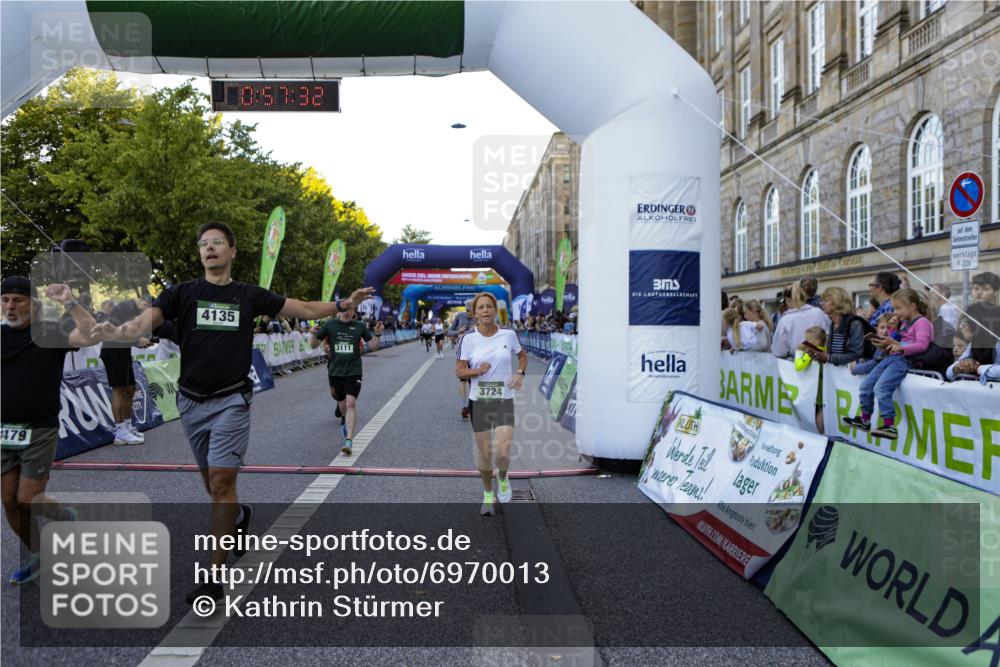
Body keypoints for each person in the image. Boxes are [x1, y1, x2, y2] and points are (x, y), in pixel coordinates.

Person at [93, 222, 374, 605]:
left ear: (232, 251)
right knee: (215, 487)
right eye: (204, 244)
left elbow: (305, 308)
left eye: (217, 243)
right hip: (191, 403)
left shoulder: (248, 295)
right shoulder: (182, 293)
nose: (209, 249)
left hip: (231, 401)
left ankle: (213, 577)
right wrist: (126, 328)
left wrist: (344, 305)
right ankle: (239, 515)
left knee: (222, 483)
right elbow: (148, 320)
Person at [2, 276, 98, 584]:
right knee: (9, 501)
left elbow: (89, 335)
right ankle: (38, 553)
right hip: (3, 430)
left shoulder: (51, 332)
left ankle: (65, 517)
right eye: (5, 300)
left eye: (17, 299)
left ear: (34, 304)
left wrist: (69, 302)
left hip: (39, 428)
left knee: (28, 498)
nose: (10, 305)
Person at [455, 292, 528, 516]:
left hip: (504, 399)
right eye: (481, 308)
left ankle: (503, 478)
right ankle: (488, 493)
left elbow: (522, 356)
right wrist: (476, 371)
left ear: (495, 310)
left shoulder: (508, 334)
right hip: (480, 402)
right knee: (486, 454)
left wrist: (519, 373)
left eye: (489, 307)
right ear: (474, 313)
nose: (485, 310)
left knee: (503, 451)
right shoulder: (468, 338)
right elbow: (459, 370)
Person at [842, 289, 933, 440]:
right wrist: (891, 329)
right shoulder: (905, 323)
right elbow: (896, 340)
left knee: (881, 388)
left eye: (898, 308)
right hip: (891, 358)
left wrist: (901, 348)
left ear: (912, 306)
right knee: (866, 386)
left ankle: (889, 425)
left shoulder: (922, 322)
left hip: (902, 360)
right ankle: (865, 420)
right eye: (894, 308)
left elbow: (922, 345)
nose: (896, 312)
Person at [310, 305, 383, 455]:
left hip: (354, 371)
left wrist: (378, 335)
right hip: (335, 372)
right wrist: (312, 334)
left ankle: (349, 441)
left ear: (353, 312)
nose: (346, 312)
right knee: (342, 406)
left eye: (349, 309)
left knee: (351, 403)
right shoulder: (329, 325)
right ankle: (344, 416)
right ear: (338, 311)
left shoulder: (359, 326)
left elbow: (373, 347)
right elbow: (313, 344)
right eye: (343, 309)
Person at [100, 298, 155, 445]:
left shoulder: (131, 309)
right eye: (146, 307)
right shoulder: (125, 307)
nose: (145, 312)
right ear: (144, 302)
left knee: (131, 389)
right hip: (113, 353)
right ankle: (120, 433)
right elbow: (114, 332)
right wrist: (137, 341)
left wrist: (139, 341)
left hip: (123, 352)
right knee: (119, 390)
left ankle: (128, 427)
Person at [771, 282, 831, 359]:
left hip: (797, 363)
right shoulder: (819, 312)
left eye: (786, 301)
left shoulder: (785, 320)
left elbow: (779, 351)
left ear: (789, 300)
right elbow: (829, 335)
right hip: (820, 359)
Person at [811, 287, 868, 367]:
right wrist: (820, 356)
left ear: (837, 302)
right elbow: (833, 354)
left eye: (826, 300)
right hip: (838, 376)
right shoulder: (833, 324)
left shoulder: (854, 324)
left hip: (852, 376)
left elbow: (856, 354)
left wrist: (828, 357)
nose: (821, 303)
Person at [450, 300, 475, 419]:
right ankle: (464, 406)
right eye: (468, 307)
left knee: (474, 379)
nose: (469, 309)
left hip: (477, 351)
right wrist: (458, 331)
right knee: (463, 379)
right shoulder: (459, 316)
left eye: (472, 307)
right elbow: (449, 331)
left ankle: (472, 403)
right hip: (463, 349)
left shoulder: (479, 316)